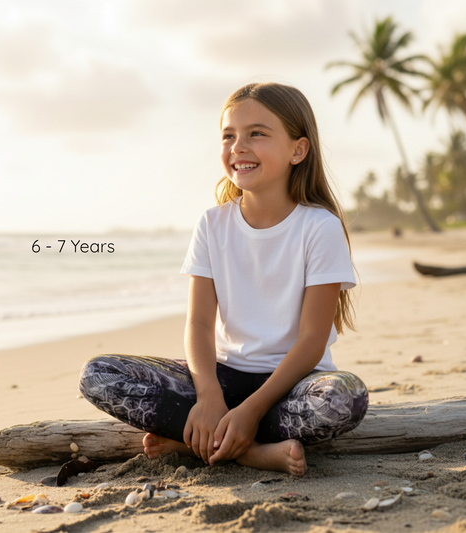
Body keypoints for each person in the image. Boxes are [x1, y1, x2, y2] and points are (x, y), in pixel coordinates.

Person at [79, 82, 368, 476]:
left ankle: (203, 441)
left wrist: (251, 409)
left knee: (344, 398)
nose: (239, 147)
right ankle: (250, 450)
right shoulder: (213, 224)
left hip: (290, 385)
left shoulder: (319, 227)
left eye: (257, 134)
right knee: (99, 374)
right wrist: (209, 395)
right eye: (229, 136)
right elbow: (198, 323)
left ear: (297, 150)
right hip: (222, 376)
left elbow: (312, 341)